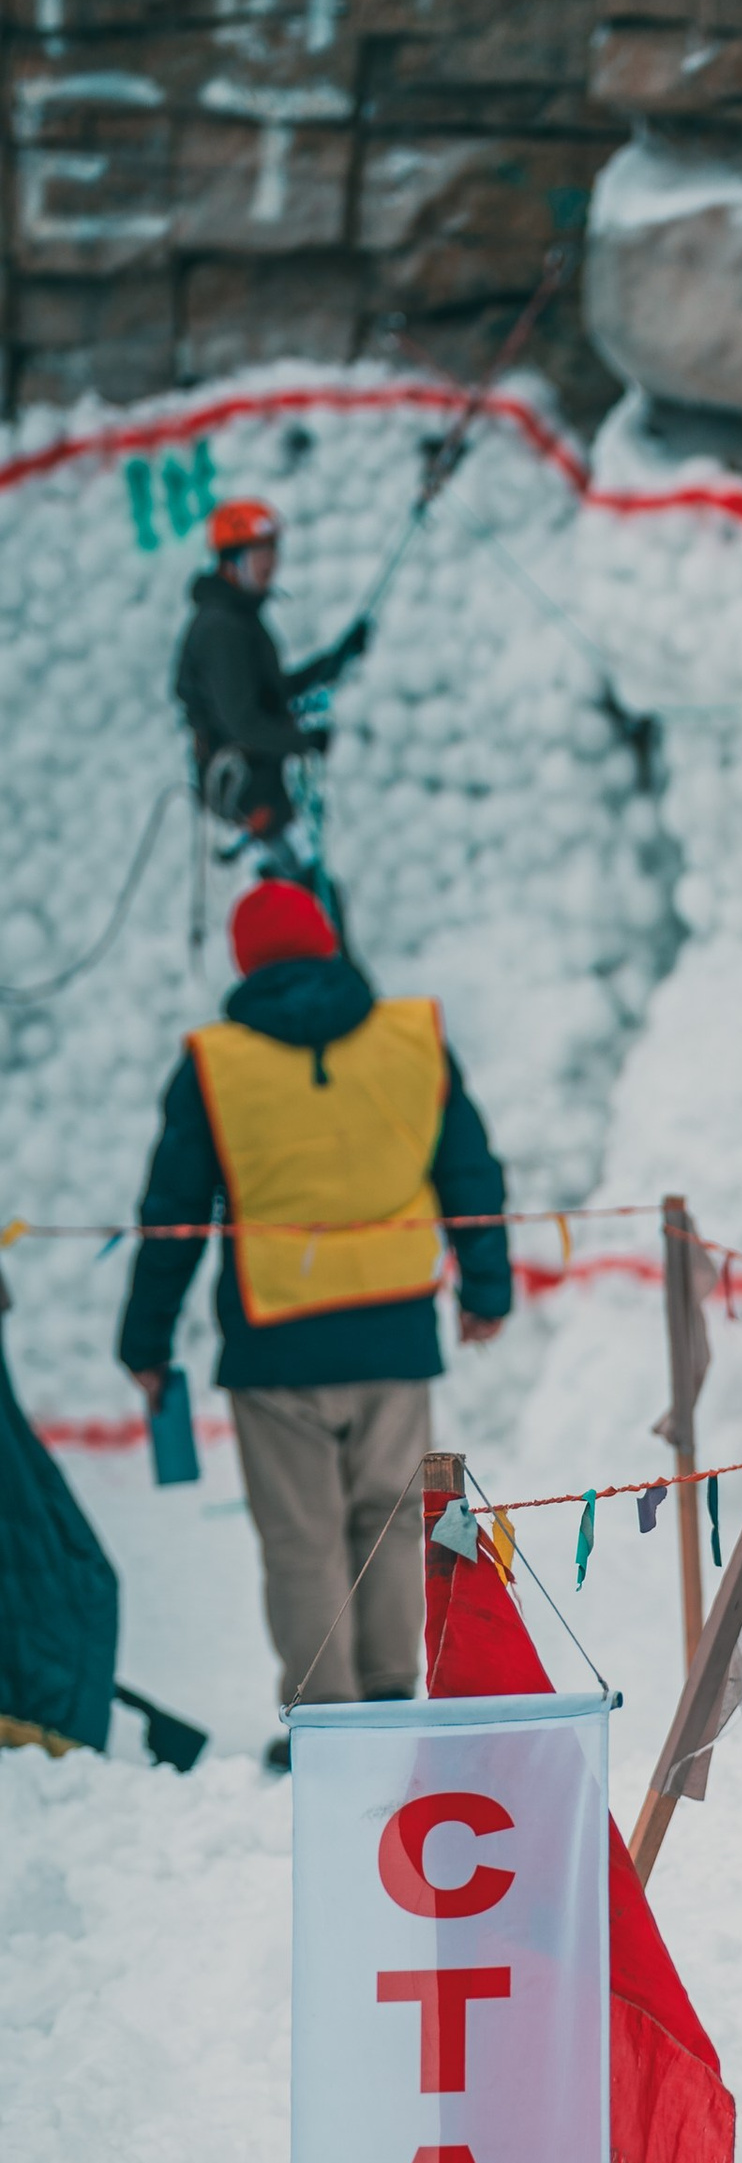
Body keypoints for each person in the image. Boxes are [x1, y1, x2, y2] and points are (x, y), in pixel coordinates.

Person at [116, 879, 511, 1751]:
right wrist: (487, 1291)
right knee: (390, 1514)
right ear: (331, 943)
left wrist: (145, 1340)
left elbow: (172, 1215)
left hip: (277, 1344)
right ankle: (388, 1695)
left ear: (243, 963)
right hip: (397, 1330)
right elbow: (471, 1171)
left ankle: (327, 1719)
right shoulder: (412, 1040)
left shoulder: (216, 1065)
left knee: (302, 1538)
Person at [173, 498, 370, 863]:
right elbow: (243, 722)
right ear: (231, 563)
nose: (272, 564)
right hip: (247, 792)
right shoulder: (223, 630)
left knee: (302, 888)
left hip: (258, 783)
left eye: (273, 552)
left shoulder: (238, 617)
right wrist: (303, 741)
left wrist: (336, 659)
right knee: (294, 890)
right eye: (261, 554)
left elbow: (271, 692)